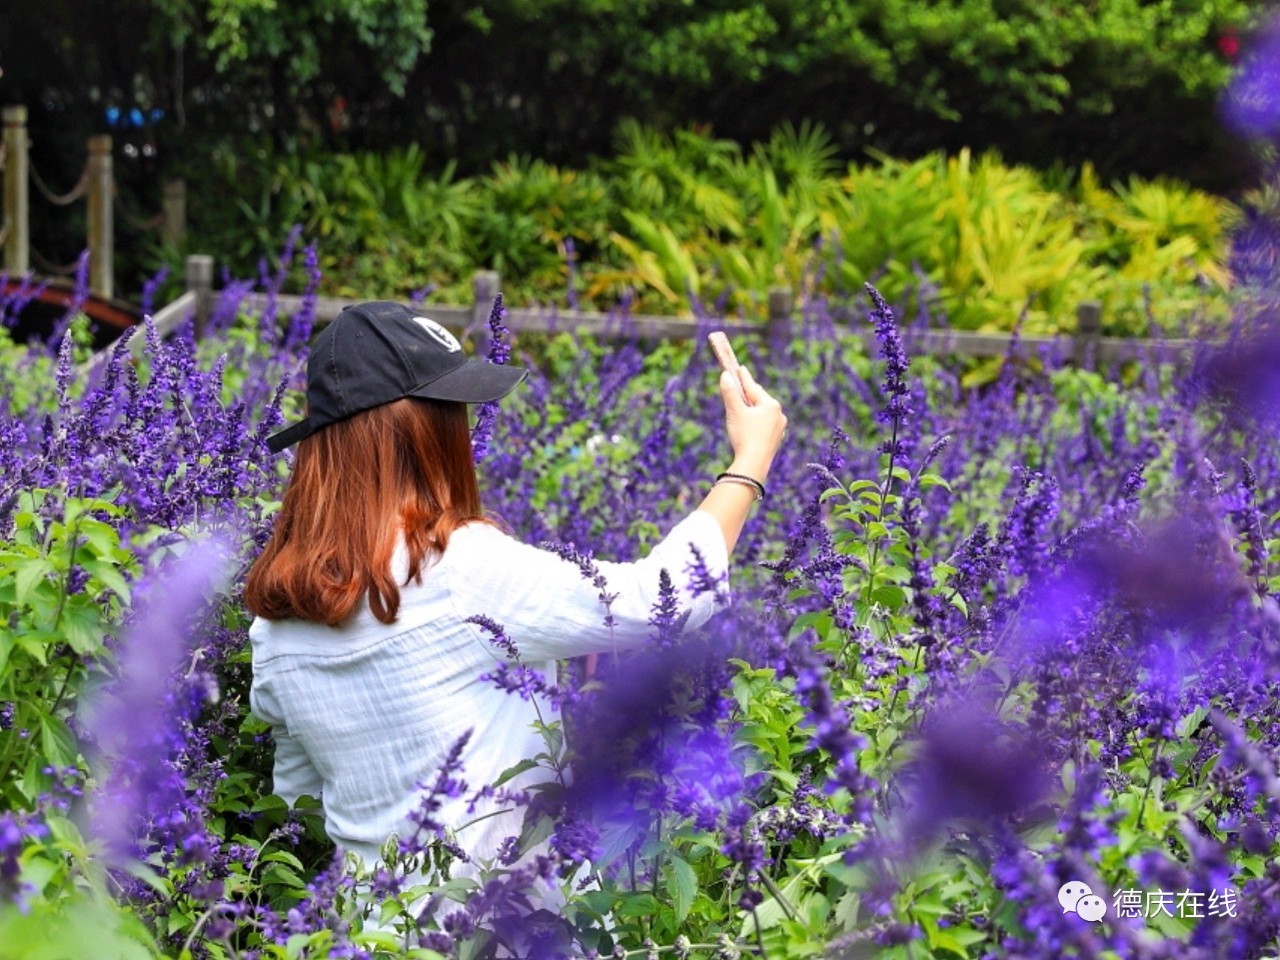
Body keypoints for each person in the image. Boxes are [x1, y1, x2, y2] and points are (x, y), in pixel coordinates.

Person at [244, 301, 787, 886]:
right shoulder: (457, 566)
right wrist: (750, 461)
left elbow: (297, 808)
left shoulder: (275, 626)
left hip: (370, 935)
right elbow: (661, 600)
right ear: (423, 433)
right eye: (454, 412)